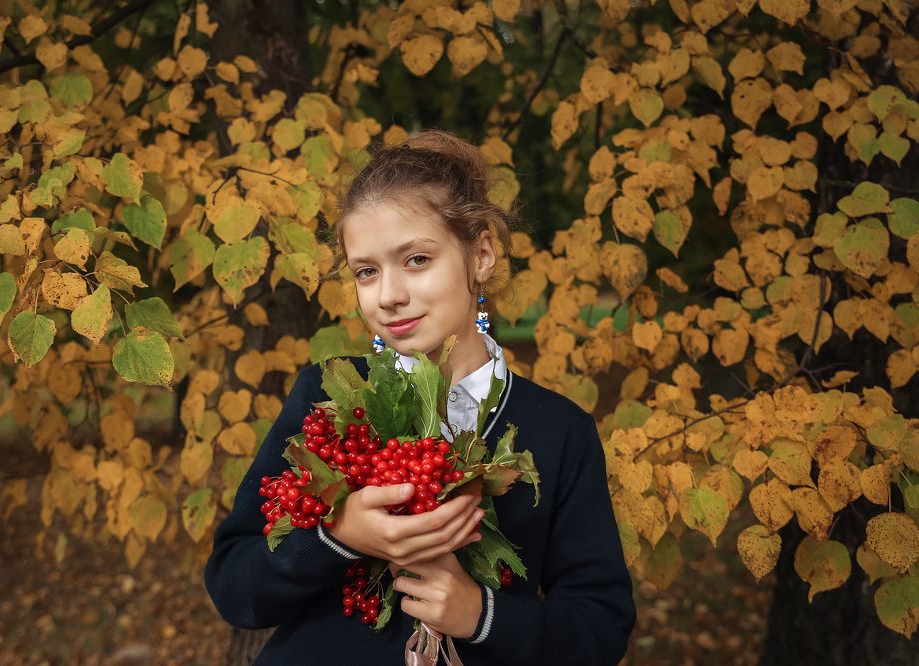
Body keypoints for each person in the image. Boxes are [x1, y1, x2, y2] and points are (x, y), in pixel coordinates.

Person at [204, 129, 636, 665]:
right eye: (367, 272)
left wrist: (482, 615)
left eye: (416, 260)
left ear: (481, 255)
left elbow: (601, 625)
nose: (388, 296)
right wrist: (337, 537)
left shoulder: (558, 432)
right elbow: (234, 587)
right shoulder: (326, 397)